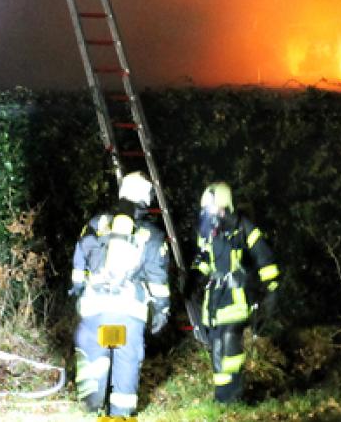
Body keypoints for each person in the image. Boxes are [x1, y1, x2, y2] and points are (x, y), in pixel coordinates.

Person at [70, 172, 171, 417]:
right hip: (128, 313)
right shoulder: (152, 235)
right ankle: (120, 414)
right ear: (146, 197)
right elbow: (158, 280)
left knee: (96, 361)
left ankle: (93, 407)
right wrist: (161, 311)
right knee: (126, 365)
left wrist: (79, 293)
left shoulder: (95, 224)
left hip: (95, 309)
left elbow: (78, 265)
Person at [193, 182, 280, 403]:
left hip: (237, 297)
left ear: (224, 203)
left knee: (230, 344)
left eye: (212, 208)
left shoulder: (243, 227)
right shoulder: (208, 231)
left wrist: (271, 289)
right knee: (217, 348)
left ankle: (234, 395)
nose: (209, 213)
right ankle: (222, 397)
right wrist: (195, 276)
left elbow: (264, 257)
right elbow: (205, 258)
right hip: (214, 302)